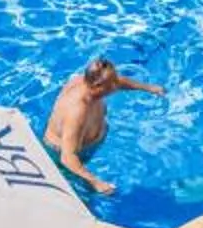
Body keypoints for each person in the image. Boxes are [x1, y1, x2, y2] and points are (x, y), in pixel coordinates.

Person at [44, 57, 165, 195]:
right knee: (83, 194)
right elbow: (67, 157)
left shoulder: (88, 81)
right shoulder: (77, 110)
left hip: (87, 144)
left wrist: (149, 88)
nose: (116, 86)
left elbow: (119, 81)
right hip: (61, 155)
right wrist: (96, 183)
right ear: (97, 86)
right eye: (111, 84)